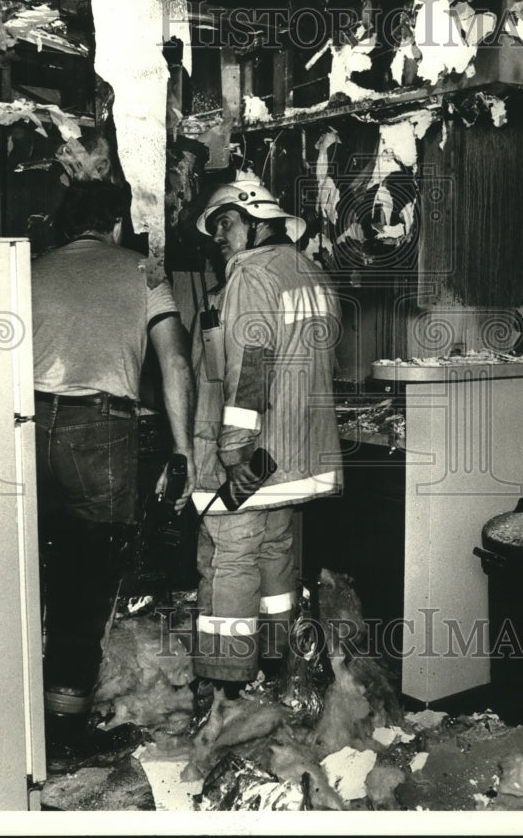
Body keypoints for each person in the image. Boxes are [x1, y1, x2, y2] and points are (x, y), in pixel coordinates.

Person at [31, 173, 195, 769]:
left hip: (22, 426)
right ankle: (65, 732)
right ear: (117, 224)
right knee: (85, 576)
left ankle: (19, 727)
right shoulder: (143, 271)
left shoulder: (31, 269)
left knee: (27, 577)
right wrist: (182, 449)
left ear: (65, 225)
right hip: (99, 430)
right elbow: (175, 359)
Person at [190, 180, 343, 701]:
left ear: (256, 219)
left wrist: (233, 450)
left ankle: (226, 685)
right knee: (276, 547)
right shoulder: (311, 273)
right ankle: (279, 666)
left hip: (254, 454)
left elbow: (250, 367)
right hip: (296, 453)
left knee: (230, 555)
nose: (219, 239)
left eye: (225, 224)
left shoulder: (252, 275)